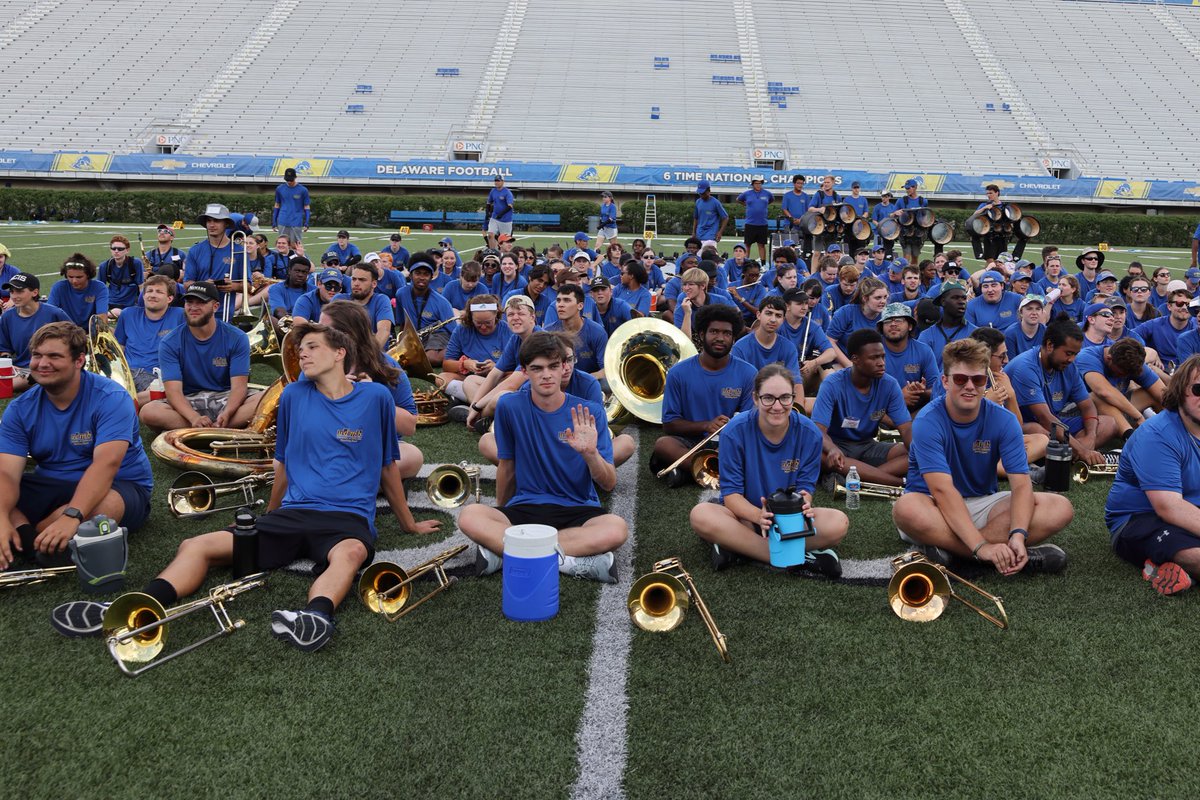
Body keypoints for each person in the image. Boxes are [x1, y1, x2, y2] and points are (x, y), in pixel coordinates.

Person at [52, 321, 420, 651]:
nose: (302, 353)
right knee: (196, 545)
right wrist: (273, 514)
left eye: (312, 347)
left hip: (346, 515)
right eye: (300, 348)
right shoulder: (293, 395)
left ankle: (317, 616)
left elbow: (388, 465)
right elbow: (284, 462)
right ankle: (134, 604)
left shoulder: (376, 398)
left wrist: (408, 524)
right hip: (294, 512)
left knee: (351, 554)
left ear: (340, 353)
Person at [459, 332, 627, 583]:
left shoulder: (590, 412)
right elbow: (507, 466)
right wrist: (501, 512)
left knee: (616, 528)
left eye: (553, 366)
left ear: (564, 368)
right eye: (537, 368)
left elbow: (609, 483)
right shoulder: (509, 406)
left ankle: (509, 553)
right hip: (526, 506)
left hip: (578, 509)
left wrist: (590, 453)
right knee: (469, 516)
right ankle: (568, 560)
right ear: (524, 372)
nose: (546, 374)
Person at [892, 338, 1071, 573]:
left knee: (1060, 507)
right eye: (960, 379)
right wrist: (980, 546)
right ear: (945, 381)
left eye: (977, 380)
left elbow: (1021, 485)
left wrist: (1018, 534)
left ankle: (956, 557)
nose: (969, 386)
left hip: (982, 504)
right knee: (906, 508)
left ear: (985, 381)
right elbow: (942, 490)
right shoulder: (927, 421)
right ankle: (987, 556)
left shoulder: (1004, 419)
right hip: (933, 505)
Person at [0, 322, 152, 571]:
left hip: (119, 486)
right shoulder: (20, 408)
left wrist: (72, 515)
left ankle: (28, 537)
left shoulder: (111, 398)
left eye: (54, 356)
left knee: (105, 509)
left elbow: (106, 465)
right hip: (53, 485)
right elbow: (6, 473)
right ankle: (34, 542)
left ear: (79, 360)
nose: (42, 363)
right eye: (37, 355)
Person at [689, 364, 848, 576]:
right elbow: (732, 496)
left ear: (793, 398)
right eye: (768, 398)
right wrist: (759, 515)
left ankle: (739, 549)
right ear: (755, 398)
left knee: (838, 523)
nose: (777, 406)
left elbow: (805, 489)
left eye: (785, 398)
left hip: (789, 519)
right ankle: (790, 557)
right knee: (701, 514)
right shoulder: (734, 432)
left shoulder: (810, 433)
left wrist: (803, 506)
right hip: (745, 517)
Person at [1105, 354, 1200, 594]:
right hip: (1139, 519)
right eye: (1199, 389)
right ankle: (1169, 560)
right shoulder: (1158, 434)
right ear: (1179, 391)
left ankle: (1162, 566)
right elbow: (1169, 507)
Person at [318, 300, 432, 488]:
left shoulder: (386, 365)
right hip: (328, 444)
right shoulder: (317, 363)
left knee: (413, 457)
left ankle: (339, 483)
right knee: (284, 460)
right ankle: (370, 484)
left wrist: (373, 398)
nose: (318, 335)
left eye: (324, 330)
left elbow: (409, 426)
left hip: (374, 448)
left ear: (345, 335)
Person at [654, 304, 757, 487]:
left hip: (731, 442)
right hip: (691, 441)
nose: (720, 338)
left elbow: (751, 422)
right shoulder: (678, 373)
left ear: (734, 338)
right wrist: (706, 425)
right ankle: (716, 470)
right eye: (714, 332)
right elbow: (669, 425)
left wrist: (731, 428)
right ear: (702, 335)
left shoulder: (748, 372)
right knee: (663, 445)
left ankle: (689, 472)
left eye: (726, 333)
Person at [139, 281, 262, 432]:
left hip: (226, 396)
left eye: (201, 302)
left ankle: (201, 429)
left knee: (271, 399)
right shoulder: (169, 342)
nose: (193, 307)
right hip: (188, 399)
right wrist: (193, 417)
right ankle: (222, 428)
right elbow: (173, 392)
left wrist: (228, 412)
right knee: (149, 412)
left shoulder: (237, 337)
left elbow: (239, 387)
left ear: (215, 306)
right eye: (189, 302)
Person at [1004, 316, 1116, 466]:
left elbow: (1087, 406)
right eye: (1068, 353)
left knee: (1109, 423)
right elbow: (1044, 418)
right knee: (1038, 430)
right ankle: (1068, 455)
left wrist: (1090, 437)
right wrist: (1082, 449)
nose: (1072, 359)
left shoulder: (1068, 366)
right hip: (1023, 426)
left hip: (1054, 424)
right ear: (1050, 345)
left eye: (1075, 354)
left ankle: (1062, 456)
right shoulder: (1026, 367)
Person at [813, 329, 912, 486]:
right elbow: (818, 430)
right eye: (874, 358)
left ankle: (855, 475)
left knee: (916, 451)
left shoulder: (890, 384)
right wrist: (832, 448)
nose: (881, 362)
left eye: (882, 357)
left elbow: (906, 429)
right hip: (837, 446)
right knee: (816, 453)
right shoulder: (832, 384)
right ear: (855, 359)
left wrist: (919, 452)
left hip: (868, 445)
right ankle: (898, 481)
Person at [113, 275, 186, 404]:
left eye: (159, 292)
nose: (152, 295)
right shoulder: (128, 314)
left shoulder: (180, 315)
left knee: (164, 392)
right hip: (130, 372)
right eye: (149, 291)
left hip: (159, 374)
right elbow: (120, 348)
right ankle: (128, 401)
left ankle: (122, 402)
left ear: (169, 298)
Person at [1075, 338, 1164, 440]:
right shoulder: (1087, 357)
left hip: (1116, 410)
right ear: (1109, 359)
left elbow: (1163, 393)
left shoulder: (1133, 362)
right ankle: (1132, 439)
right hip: (1082, 410)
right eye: (1121, 373)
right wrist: (1138, 416)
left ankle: (1172, 434)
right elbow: (1104, 391)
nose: (1124, 376)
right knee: (1096, 396)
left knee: (1153, 395)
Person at [0, 273, 70, 393]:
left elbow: (75, 340)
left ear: (35, 292)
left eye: (19, 291)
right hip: (19, 369)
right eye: (11, 292)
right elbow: (4, 348)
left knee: (5, 387)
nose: (14, 296)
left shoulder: (54, 313)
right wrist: (7, 364)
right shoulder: (7, 317)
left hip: (46, 368)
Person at [440, 295, 510, 409]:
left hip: (498, 381)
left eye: (488, 322)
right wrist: (465, 364)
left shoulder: (507, 331)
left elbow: (518, 371)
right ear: (470, 318)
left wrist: (496, 368)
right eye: (478, 322)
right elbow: (446, 364)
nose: (483, 327)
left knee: (516, 383)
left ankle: (469, 403)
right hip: (469, 378)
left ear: (496, 316)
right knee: (442, 379)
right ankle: (484, 405)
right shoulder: (462, 329)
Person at [731, 295, 803, 396]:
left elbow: (796, 384)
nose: (773, 319)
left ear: (783, 319)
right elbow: (736, 386)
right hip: (749, 401)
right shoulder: (740, 348)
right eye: (769, 313)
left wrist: (797, 410)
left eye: (778, 316)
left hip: (780, 402)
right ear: (759, 315)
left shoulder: (789, 348)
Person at [395, 255, 457, 367]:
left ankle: (456, 353)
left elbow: (454, 332)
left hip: (437, 334)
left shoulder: (442, 302)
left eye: (426, 274)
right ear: (410, 275)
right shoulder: (401, 294)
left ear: (431, 277)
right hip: (416, 335)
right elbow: (402, 323)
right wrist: (401, 343)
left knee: (431, 358)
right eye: (418, 273)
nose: (422, 277)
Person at [879, 303, 938, 411]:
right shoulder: (873, 350)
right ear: (881, 327)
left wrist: (920, 392)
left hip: (914, 412)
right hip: (879, 413)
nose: (893, 324)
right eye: (887, 321)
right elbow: (861, 392)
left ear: (910, 326)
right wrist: (898, 397)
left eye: (898, 320)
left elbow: (936, 391)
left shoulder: (924, 351)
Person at [546, 284, 607, 379]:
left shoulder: (597, 332)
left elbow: (606, 370)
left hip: (589, 382)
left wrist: (583, 381)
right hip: (557, 381)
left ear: (580, 306)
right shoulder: (548, 332)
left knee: (605, 385)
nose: (560, 304)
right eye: (558, 300)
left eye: (567, 300)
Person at [918, 281, 976, 370]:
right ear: (943, 301)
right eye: (955, 298)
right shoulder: (927, 336)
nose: (961, 302)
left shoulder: (975, 334)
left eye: (964, 298)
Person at [1138, 282, 1195, 373]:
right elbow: (1130, 336)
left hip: (1185, 377)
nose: (1184, 307)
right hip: (1157, 376)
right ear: (1169, 306)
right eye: (1179, 303)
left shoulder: (1196, 329)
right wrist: (1149, 351)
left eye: (1188, 304)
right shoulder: (1155, 324)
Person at [336, 262, 394, 349]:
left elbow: (384, 331)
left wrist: (369, 355)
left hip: (372, 356)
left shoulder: (381, 300)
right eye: (354, 279)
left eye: (362, 280)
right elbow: (327, 329)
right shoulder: (340, 299)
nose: (356, 283)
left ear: (374, 284)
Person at [47, 254, 109, 327]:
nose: (74, 281)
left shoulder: (99, 287)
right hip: (66, 330)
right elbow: (49, 313)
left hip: (90, 330)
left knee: (112, 331)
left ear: (88, 275)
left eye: (79, 277)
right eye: (70, 277)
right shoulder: (58, 287)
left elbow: (102, 317)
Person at [827, 276, 888, 347]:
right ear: (865, 298)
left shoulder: (887, 316)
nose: (883, 301)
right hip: (847, 356)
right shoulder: (846, 313)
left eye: (885, 297)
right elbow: (830, 341)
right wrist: (846, 359)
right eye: (878, 298)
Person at [97, 235, 143, 315]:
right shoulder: (104, 266)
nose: (116, 251)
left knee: (120, 314)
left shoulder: (135, 263)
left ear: (127, 250)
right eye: (113, 248)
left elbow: (141, 286)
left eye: (120, 249)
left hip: (130, 304)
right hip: (110, 302)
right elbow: (99, 289)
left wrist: (142, 306)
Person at [267, 255, 312, 323]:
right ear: (289, 271)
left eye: (304, 272)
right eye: (297, 271)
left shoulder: (314, 290)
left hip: (309, 326)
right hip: (286, 326)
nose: (300, 275)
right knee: (272, 319)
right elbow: (279, 311)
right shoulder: (276, 289)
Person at [737, 177, 773, 262]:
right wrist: (745, 204)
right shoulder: (747, 193)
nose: (758, 185)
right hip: (750, 223)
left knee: (761, 245)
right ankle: (745, 262)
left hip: (762, 223)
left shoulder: (767, 194)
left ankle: (763, 263)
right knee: (747, 244)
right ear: (753, 184)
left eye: (760, 183)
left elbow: (771, 200)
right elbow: (738, 199)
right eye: (756, 183)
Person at [894, 179, 929, 263]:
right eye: (906, 188)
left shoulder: (923, 201)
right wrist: (896, 213)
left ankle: (914, 274)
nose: (907, 190)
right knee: (906, 256)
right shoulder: (901, 200)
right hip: (905, 232)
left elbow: (925, 216)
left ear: (915, 187)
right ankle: (905, 274)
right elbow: (891, 215)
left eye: (908, 188)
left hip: (918, 233)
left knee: (915, 257)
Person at [143, 224, 186, 291]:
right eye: (159, 231)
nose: (162, 233)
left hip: (173, 288)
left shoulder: (180, 254)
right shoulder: (149, 254)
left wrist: (183, 274)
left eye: (166, 231)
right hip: (154, 287)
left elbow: (187, 273)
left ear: (172, 237)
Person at [272, 167, 310, 242]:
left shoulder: (303, 190)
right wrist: (274, 221)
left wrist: (307, 222)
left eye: (291, 180)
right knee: (282, 243)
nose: (289, 182)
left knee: (296, 244)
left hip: (296, 221)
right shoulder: (280, 189)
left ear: (295, 177)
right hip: (282, 220)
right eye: (287, 180)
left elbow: (306, 206)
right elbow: (277, 204)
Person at [1003, 294, 1046, 358]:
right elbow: (1010, 363)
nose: (1034, 313)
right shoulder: (1010, 333)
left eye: (1038, 309)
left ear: (1042, 312)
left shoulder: (1047, 332)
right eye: (1029, 309)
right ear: (1021, 313)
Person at [485, 175, 515, 250]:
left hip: (505, 220)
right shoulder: (493, 191)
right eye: (495, 181)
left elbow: (510, 206)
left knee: (505, 240)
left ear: (502, 182)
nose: (496, 182)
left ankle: (507, 255)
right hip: (494, 218)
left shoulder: (507, 192)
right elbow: (489, 203)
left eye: (498, 181)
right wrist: (487, 213)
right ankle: (492, 251)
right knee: (490, 235)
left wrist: (500, 214)